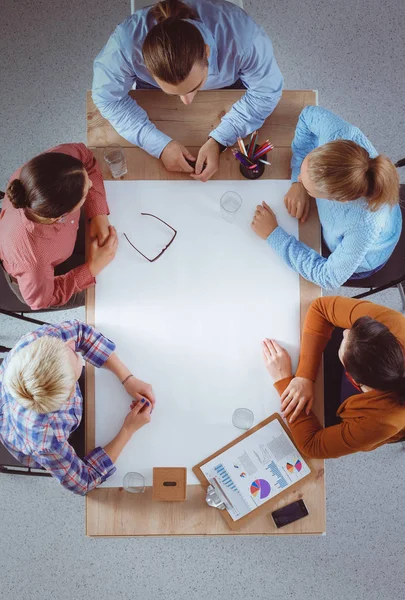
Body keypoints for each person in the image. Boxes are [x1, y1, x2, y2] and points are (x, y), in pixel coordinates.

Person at [92, 0, 283, 182]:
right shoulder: (124, 47)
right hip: (152, 92)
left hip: (229, 84)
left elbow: (265, 94)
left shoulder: (246, 40)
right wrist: (159, 145)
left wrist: (220, 140)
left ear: (206, 52)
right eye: (175, 94)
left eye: (193, 88)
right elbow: (107, 99)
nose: (186, 102)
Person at [251, 106, 401, 290]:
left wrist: (274, 235)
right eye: (304, 172)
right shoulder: (339, 134)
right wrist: (298, 183)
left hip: (363, 257)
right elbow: (307, 116)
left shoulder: (364, 224)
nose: (299, 177)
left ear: (340, 200)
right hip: (342, 227)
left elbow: (328, 278)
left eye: (309, 188)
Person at [0, 320, 155, 495]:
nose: (71, 344)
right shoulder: (46, 440)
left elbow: (81, 333)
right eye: (74, 354)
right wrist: (128, 429)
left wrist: (128, 378)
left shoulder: (35, 342)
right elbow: (84, 481)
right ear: (70, 393)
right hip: (18, 432)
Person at [262, 296, 405, 459]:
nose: (345, 330)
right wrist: (304, 376)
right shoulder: (393, 323)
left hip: (367, 416)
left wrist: (283, 380)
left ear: (352, 379)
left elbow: (312, 445)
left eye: (345, 339)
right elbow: (321, 308)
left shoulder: (383, 421)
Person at [0, 143, 118, 310]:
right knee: (111, 289)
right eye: (85, 194)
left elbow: (86, 158)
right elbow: (42, 300)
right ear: (61, 215)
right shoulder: (34, 261)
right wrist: (92, 268)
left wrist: (98, 213)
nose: (92, 185)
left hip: (49, 248)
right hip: (36, 282)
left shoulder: (56, 166)